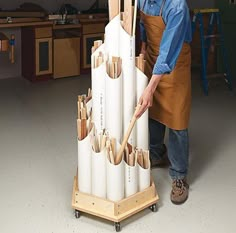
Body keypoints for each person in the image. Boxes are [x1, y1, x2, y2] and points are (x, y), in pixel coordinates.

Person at [136, 0, 192, 205]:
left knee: (177, 118)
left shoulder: (177, 6)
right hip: (153, 56)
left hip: (175, 62)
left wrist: (150, 88)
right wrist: (143, 51)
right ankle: (157, 153)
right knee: (154, 110)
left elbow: (168, 51)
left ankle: (179, 176)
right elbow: (143, 24)